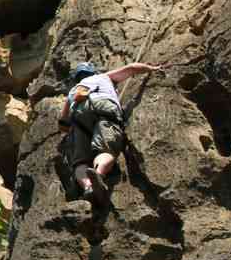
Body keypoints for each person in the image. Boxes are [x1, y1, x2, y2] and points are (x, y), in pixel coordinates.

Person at [58, 60, 163, 205]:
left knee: (80, 161)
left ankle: (88, 186)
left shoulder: (74, 90)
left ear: (77, 78)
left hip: (79, 116)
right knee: (106, 148)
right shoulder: (103, 77)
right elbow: (132, 68)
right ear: (92, 72)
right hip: (102, 106)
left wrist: (71, 132)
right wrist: (152, 67)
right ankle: (98, 174)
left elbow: (63, 123)